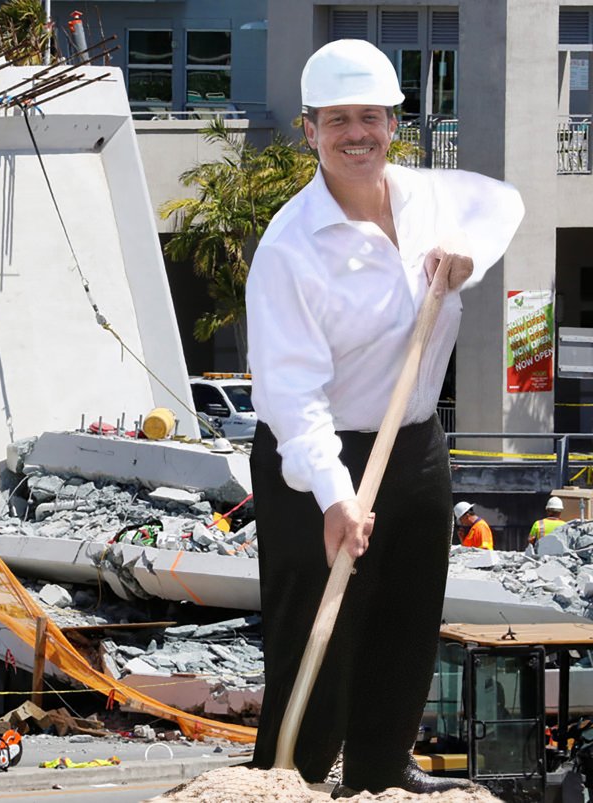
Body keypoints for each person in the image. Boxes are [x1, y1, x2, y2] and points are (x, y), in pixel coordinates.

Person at [246, 39, 524, 795]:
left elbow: (502, 206)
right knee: (320, 635)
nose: (356, 133)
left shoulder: (426, 199)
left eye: (370, 116)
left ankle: (378, 771)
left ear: (394, 124)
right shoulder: (291, 249)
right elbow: (291, 396)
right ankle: (287, 777)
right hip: (316, 459)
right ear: (309, 130)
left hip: (416, 446)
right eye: (337, 120)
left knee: (407, 620)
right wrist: (336, 496)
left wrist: (463, 260)